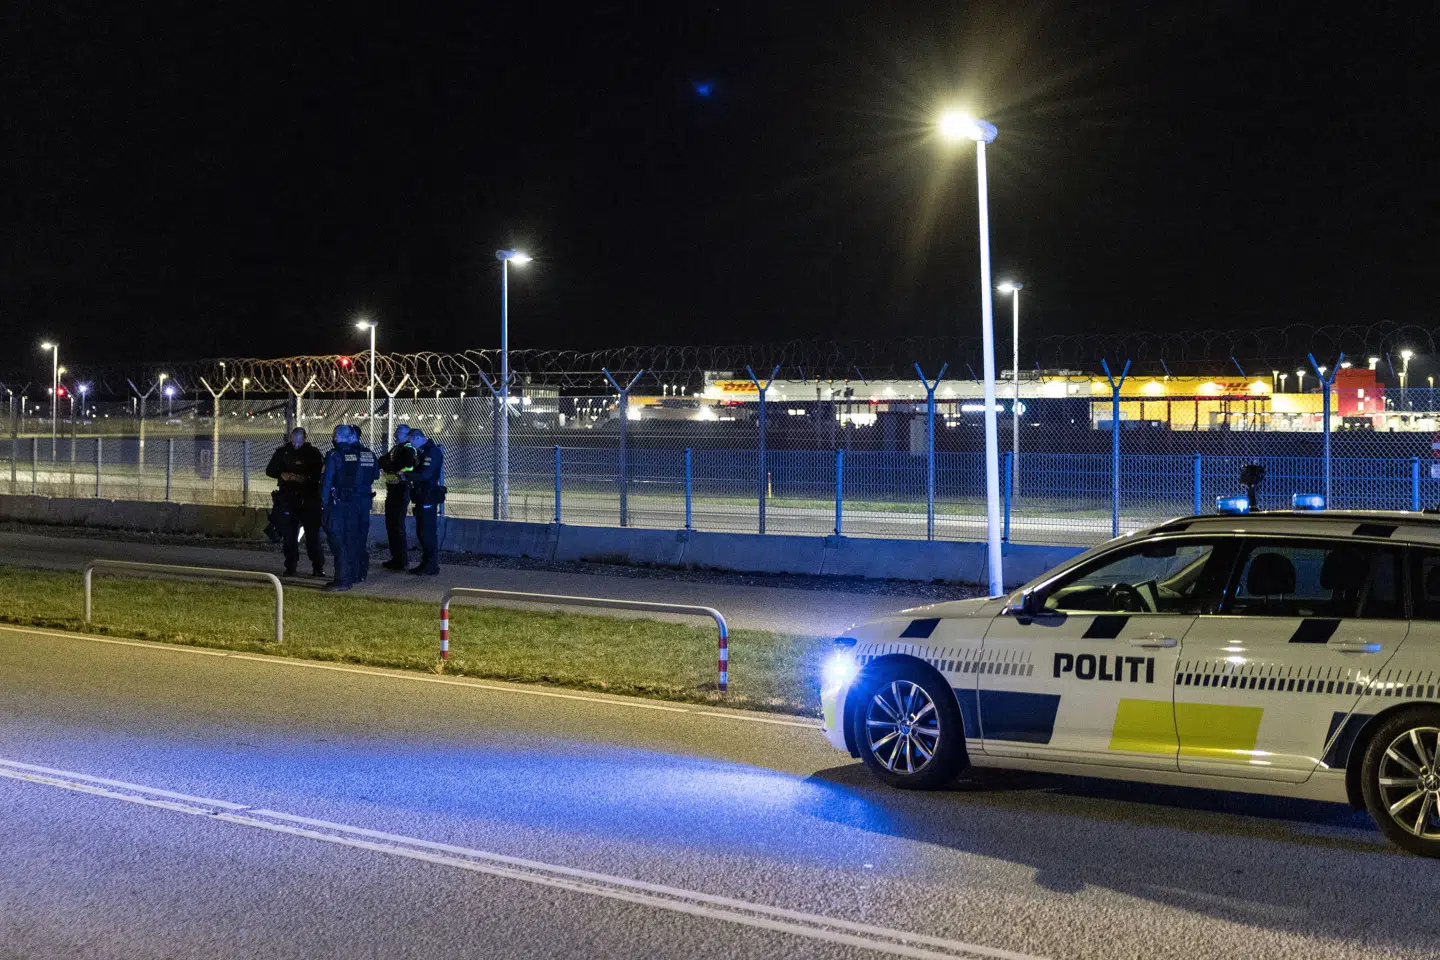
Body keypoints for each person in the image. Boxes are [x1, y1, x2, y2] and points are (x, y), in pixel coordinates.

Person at [318, 424, 378, 591]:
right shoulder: (368, 454)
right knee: (357, 539)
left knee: (339, 541)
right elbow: (375, 475)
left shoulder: (335, 455)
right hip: (363, 504)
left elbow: (327, 481)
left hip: (342, 504)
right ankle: (357, 573)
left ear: (337, 437)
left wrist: (323, 505)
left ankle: (343, 579)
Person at [264, 427, 325, 577]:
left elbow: (319, 474)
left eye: (299, 438)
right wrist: (282, 475)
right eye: (294, 438)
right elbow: (270, 470)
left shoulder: (313, 453)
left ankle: (318, 567)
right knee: (289, 536)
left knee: (312, 537)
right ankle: (290, 567)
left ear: (305, 438)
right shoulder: (283, 452)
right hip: (288, 499)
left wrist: (304, 479)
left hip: (309, 499)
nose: (296, 442)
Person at [377, 424, 417, 570]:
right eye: (396, 433)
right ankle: (396, 557)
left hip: (401, 489)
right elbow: (383, 460)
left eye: (399, 433)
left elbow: (406, 466)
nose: (396, 435)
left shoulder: (408, 449)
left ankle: (401, 560)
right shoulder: (396, 449)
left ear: (407, 435)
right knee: (391, 524)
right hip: (392, 488)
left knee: (397, 525)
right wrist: (389, 465)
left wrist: (390, 466)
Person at [406, 426, 445, 575]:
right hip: (422, 495)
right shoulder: (423, 451)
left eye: (411, 442)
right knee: (421, 531)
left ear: (416, 438)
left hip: (428, 495)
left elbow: (425, 475)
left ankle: (431, 566)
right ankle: (426, 563)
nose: (412, 446)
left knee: (427, 532)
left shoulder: (432, 452)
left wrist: (407, 475)